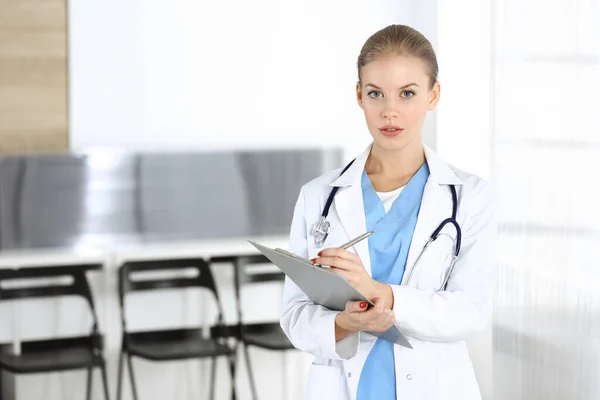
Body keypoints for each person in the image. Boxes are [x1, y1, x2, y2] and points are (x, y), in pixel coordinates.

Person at [279, 24, 497, 400]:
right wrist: (344, 323)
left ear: (433, 95)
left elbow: (471, 310)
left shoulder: (471, 196)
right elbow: (295, 316)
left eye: (407, 93)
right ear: (360, 95)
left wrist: (381, 293)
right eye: (376, 93)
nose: (390, 111)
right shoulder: (318, 196)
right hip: (343, 385)